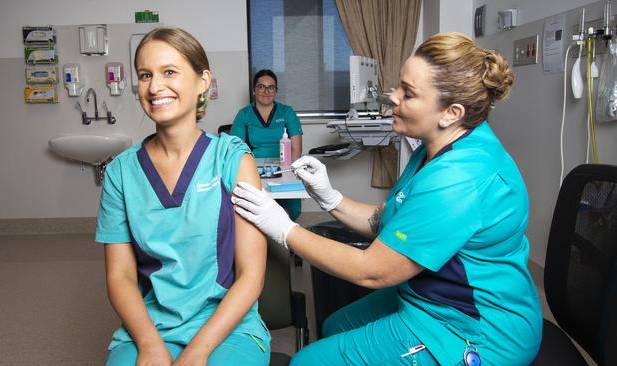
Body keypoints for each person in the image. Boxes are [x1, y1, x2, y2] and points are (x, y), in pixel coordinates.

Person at [232, 32, 542, 365]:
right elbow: (391, 219)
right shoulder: (433, 149)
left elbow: (372, 270)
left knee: (306, 362)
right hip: (425, 296)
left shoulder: (459, 178)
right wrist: (330, 198)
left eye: (408, 94)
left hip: (470, 329)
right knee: (334, 326)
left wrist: (284, 229)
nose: (392, 97)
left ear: (450, 112)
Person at [95, 27, 270, 366]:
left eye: (169, 72)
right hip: (151, 326)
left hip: (229, 326)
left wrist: (199, 351)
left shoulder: (233, 159)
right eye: (145, 75)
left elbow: (251, 276)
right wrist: (148, 344)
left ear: (202, 81)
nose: (155, 86)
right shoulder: (120, 173)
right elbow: (120, 277)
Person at [229, 69, 303, 220]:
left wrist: (288, 173)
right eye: (261, 86)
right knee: (251, 207)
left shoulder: (287, 112)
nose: (266, 91)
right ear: (254, 90)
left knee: (293, 209)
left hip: (284, 167)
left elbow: (296, 150)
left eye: (271, 87)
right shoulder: (244, 114)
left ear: (276, 91)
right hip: (253, 168)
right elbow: (235, 150)